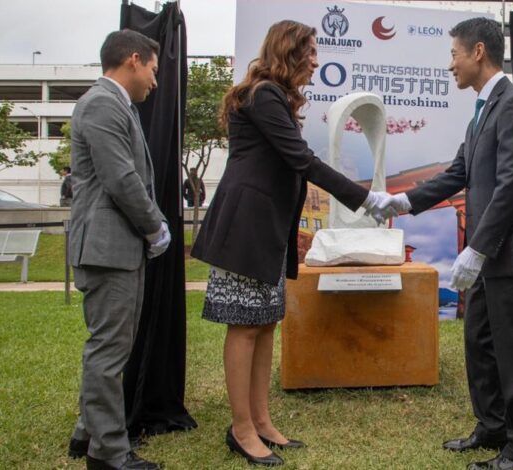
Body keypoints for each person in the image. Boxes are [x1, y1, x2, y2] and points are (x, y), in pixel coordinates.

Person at [190, 20, 393, 467]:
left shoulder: (272, 96)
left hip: (266, 227)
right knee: (244, 327)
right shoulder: (264, 95)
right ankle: (241, 429)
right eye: (311, 52)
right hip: (246, 227)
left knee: (264, 324)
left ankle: (261, 421)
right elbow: (300, 160)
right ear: (289, 52)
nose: (317, 61)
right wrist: (366, 198)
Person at [380, 17, 513, 470]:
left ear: (478, 52)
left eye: (453, 55)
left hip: (509, 252)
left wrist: (478, 248)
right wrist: (400, 202)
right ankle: (493, 427)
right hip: (487, 251)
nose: (449, 65)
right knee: (479, 344)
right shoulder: (481, 110)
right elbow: (458, 174)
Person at [66, 29, 170, 470]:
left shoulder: (110, 104)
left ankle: (87, 432)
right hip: (108, 247)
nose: (155, 80)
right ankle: (108, 453)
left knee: (111, 346)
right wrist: (155, 227)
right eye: (152, 69)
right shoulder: (104, 103)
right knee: (109, 350)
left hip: (113, 247)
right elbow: (121, 179)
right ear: (133, 60)